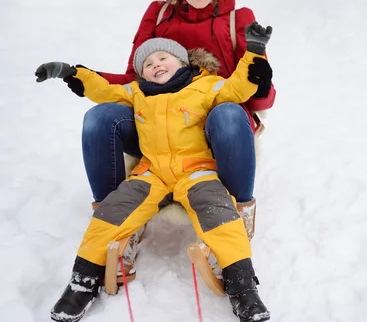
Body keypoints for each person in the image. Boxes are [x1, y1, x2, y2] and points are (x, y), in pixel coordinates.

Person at [74, 0, 275, 279]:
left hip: (215, 123)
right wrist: (86, 77)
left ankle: (235, 217)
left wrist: (261, 80)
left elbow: (260, 99)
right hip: (158, 120)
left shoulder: (237, 19)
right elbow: (134, 76)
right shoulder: (159, 14)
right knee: (99, 117)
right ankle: (118, 226)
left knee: (228, 113)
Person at [36, 22, 273, 322]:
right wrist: (70, 72)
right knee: (110, 214)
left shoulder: (206, 85)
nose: (155, 65)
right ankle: (82, 282)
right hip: (152, 173)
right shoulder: (137, 93)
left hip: (196, 170)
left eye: (163, 58)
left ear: (183, 62)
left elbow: (238, 86)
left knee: (219, 214)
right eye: (147, 64)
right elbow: (104, 90)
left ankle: (243, 286)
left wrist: (255, 52)